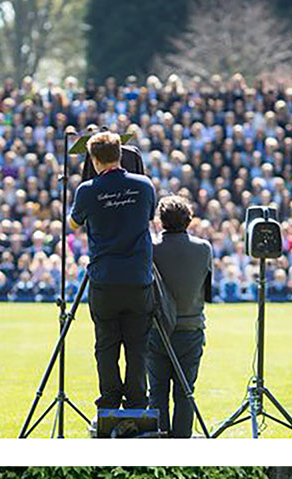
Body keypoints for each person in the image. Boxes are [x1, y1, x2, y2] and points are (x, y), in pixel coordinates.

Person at [69, 130, 156, 410]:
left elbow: (73, 224)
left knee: (106, 344)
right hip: (137, 277)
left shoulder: (87, 190)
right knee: (137, 346)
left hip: (104, 278)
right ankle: (136, 401)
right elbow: (149, 216)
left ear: (94, 159)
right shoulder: (144, 186)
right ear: (120, 154)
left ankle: (108, 399)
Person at [148, 195, 212, 438]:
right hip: (191, 329)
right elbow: (207, 292)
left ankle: (160, 443)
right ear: (189, 219)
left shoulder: (151, 249)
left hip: (158, 330)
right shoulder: (203, 248)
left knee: (157, 392)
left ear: (161, 221)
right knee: (186, 393)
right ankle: (182, 442)